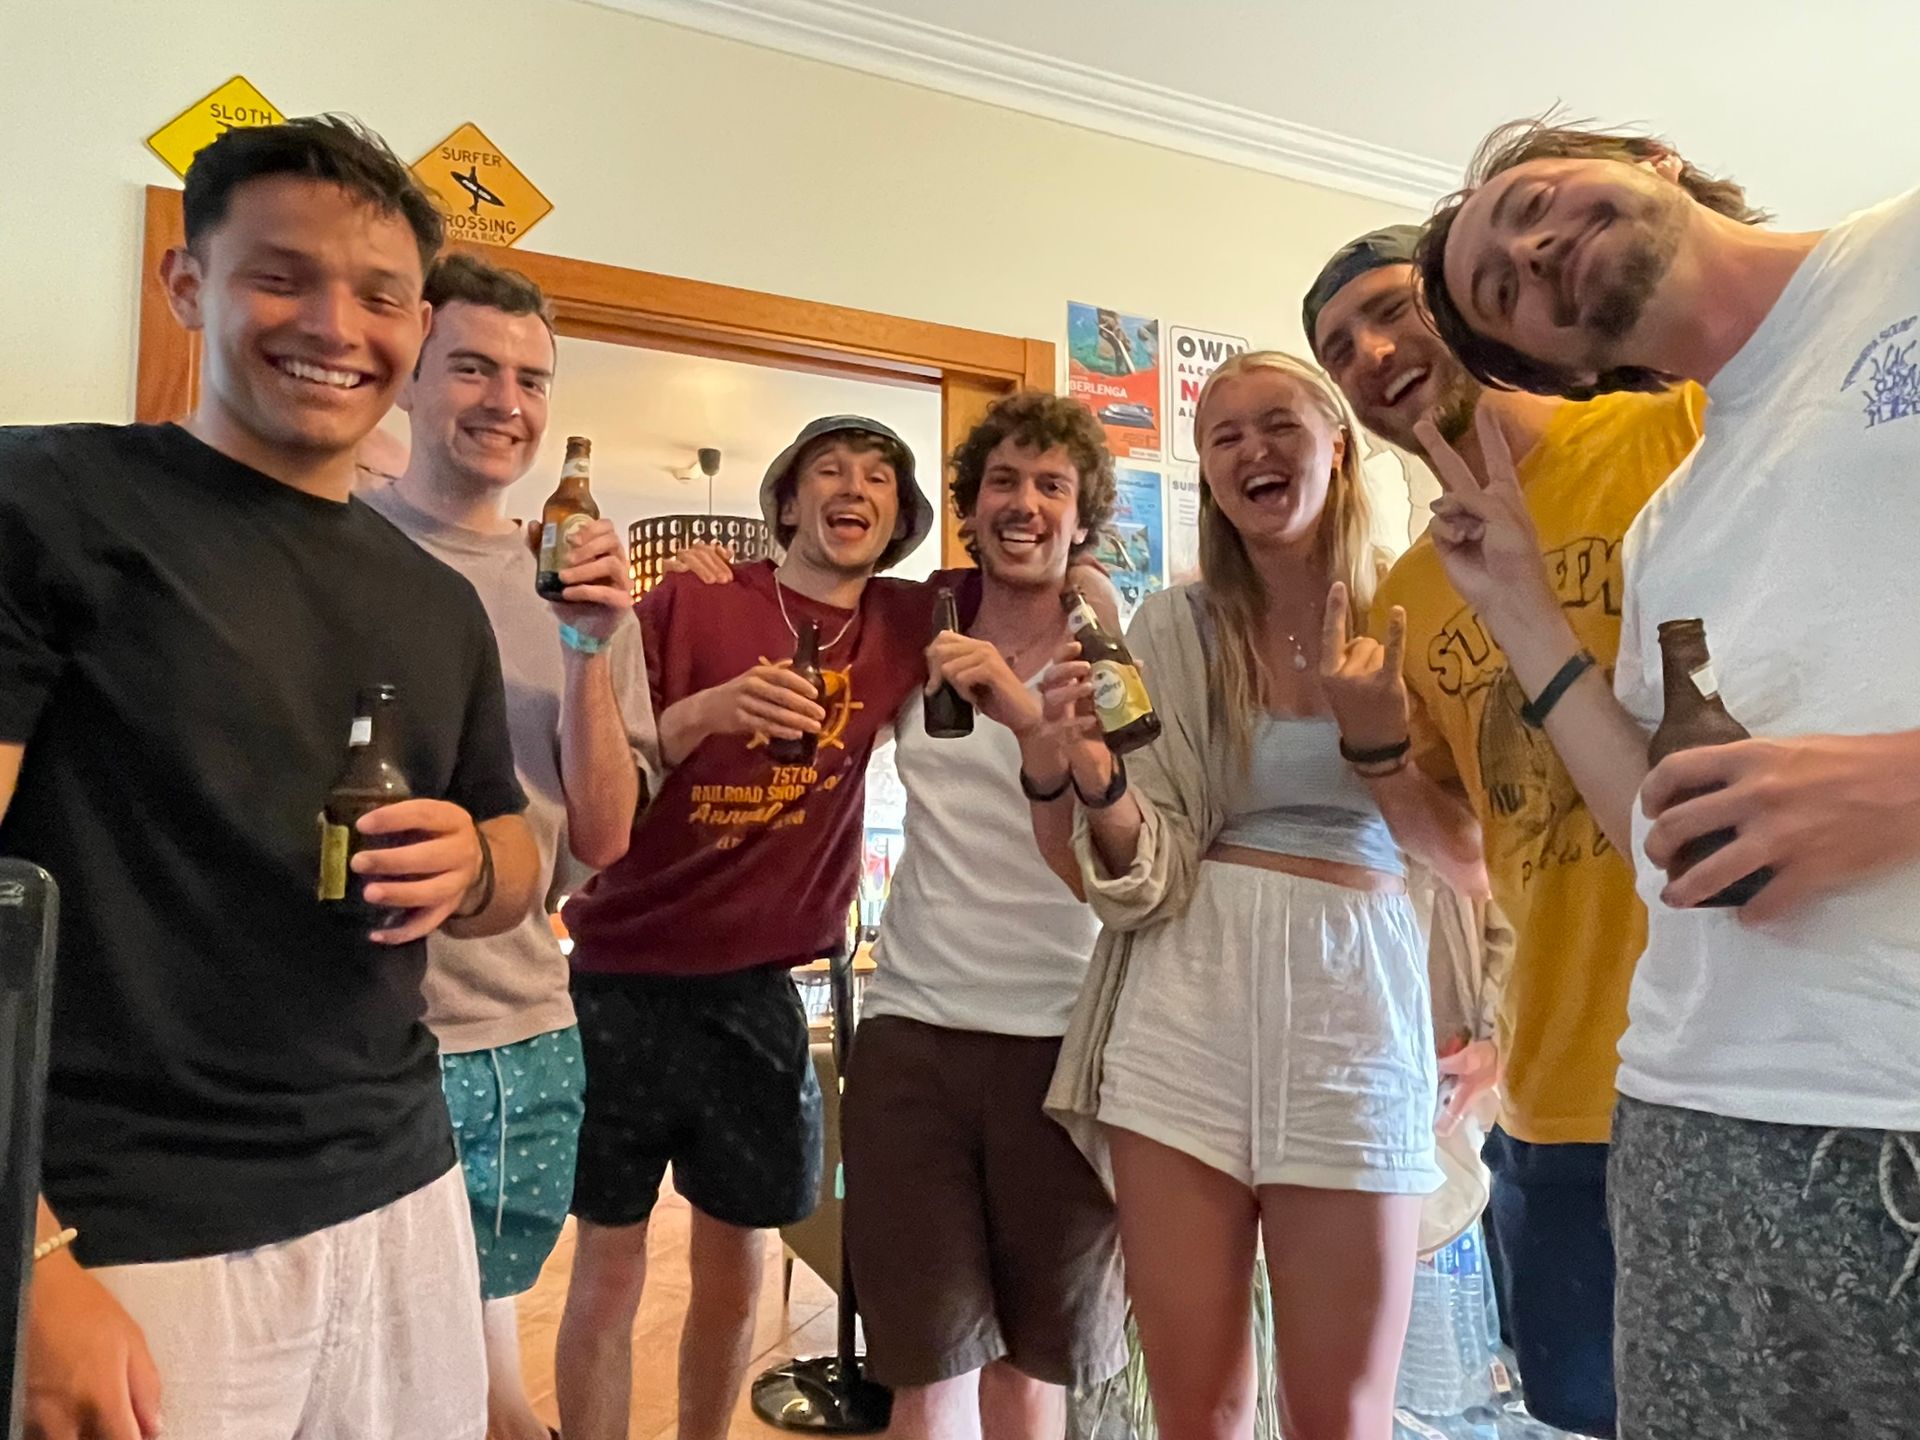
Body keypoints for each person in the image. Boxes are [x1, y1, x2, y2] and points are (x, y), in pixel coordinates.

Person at [8, 117, 541, 1440]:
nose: (334, 324)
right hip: (132, 1226)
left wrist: (475, 864)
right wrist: (30, 1265)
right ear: (188, 285)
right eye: (279, 275)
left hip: (406, 1191)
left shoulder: (435, 603)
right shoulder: (49, 501)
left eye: (378, 294)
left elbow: (517, 852)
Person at [1413, 118, 1920, 1437]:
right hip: (1690, 1125)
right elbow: (1657, 833)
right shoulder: (1672, 524)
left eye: (1527, 203)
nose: (1532, 249)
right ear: (1559, 368)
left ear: (1644, 156)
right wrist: (1523, 611)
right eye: (1504, 295)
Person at [1017, 350, 1485, 1440]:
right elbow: (1148, 867)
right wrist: (1096, 778)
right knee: (1201, 1408)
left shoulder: (1421, 606)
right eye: (1221, 437)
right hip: (1186, 1001)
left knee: (1342, 1411)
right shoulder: (1176, 628)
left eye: (1277, 424)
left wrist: (1377, 745)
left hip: (1357, 1007)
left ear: (1340, 443)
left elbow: (1485, 855)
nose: (1250, 452)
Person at [1304, 224, 1705, 1436]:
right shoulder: (1411, 592)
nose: (1372, 354)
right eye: (1339, 350)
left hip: (1745, 1054)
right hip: (1561, 1088)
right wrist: (1373, 745)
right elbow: (1470, 852)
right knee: (1586, 1407)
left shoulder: (1670, 428)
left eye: (1391, 313)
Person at [552, 415, 947, 1440]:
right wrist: (708, 710)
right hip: (619, 975)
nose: (853, 488)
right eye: (828, 471)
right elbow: (602, 779)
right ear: (784, 503)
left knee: (737, 1259)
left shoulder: (911, 622)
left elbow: (1045, 577)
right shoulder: (694, 598)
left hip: (762, 992)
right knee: (608, 1259)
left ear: (899, 517)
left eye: (877, 478)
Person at [361, 253, 657, 1440]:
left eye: (531, 379)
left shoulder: (581, 584)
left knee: (484, 1373)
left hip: (525, 1034)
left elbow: (604, 835)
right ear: (409, 375)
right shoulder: (331, 541)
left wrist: (588, 648)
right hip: (347, 1037)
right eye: (473, 367)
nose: (505, 402)